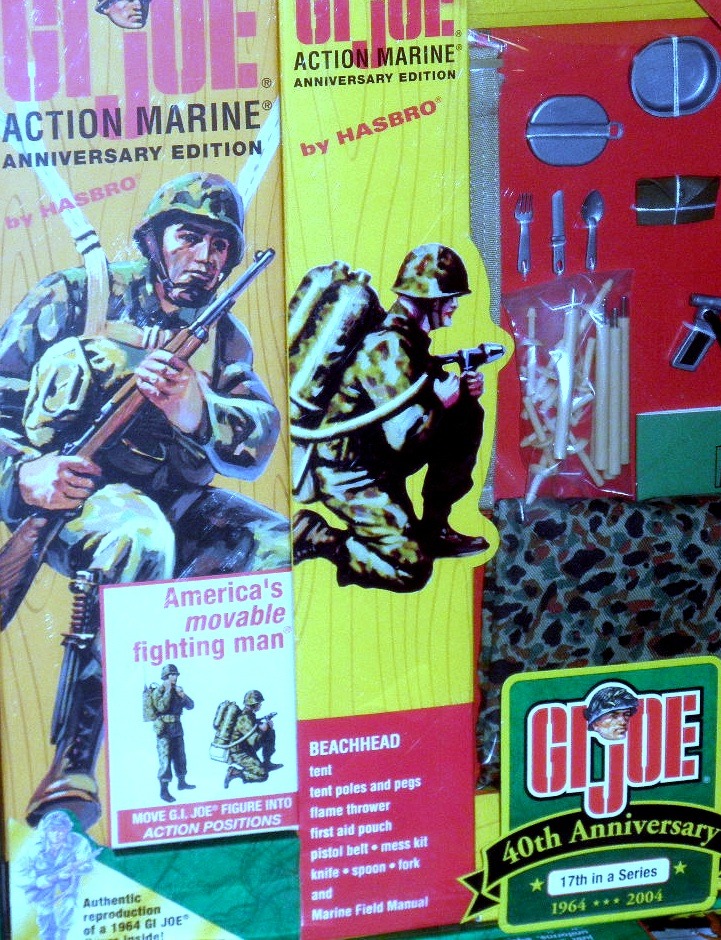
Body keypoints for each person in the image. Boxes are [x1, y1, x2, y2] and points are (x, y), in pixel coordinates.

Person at [0, 171, 289, 828]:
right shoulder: (76, 296)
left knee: (276, 545)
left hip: (177, 501)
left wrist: (197, 407)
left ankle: (226, 752)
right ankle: (75, 759)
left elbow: (259, 436)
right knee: (139, 537)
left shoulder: (222, 336)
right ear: (154, 241)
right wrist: (22, 477)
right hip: (80, 499)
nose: (204, 257)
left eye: (220, 245)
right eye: (189, 237)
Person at [290, 243, 490, 592]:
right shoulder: (389, 346)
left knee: (466, 414)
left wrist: (459, 396)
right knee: (410, 569)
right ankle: (317, 535)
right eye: (450, 297)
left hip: (375, 458)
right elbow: (406, 436)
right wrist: (445, 401)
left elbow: (413, 397)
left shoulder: (406, 338)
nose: (455, 305)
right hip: (347, 473)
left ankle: (436, 529)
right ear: (429, 299)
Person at [18, 810, 98, 940]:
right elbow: (19, 875)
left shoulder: (78, 842)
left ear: (67, 830)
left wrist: (73, 869)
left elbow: (88, 866)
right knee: (46, 920)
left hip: (68, 887)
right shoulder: (33, 847)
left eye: (61, 830)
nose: (57, 834)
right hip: (42, 889)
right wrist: (41, 881)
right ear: (46, 831)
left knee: (68, 908)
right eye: (52, 830)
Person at [148, 664, 195, 803]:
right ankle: (164, 791)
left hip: (177, 729)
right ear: (165, 677)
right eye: (171, 675)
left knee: (180, 757)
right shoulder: (158, 691)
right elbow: (162, 707)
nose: (174, 677)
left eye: (175, 674)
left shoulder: (177, 690)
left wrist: (183, 695)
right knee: (165, 760)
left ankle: (182, 782)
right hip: (164, 730)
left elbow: (191, 705)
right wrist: (168, 691)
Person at [223, 689, 281, 787]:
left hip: (245, 748)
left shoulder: (248, 715)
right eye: (259, 703)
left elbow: (252, 726)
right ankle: (234, 773)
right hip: (238, 753)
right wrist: (264, 728)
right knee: (262, 775)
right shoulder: (244, 718)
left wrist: (265, 725)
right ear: (254, 704)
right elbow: (253, 741)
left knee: (270, 732)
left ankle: (267, 763)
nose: (260, 705)